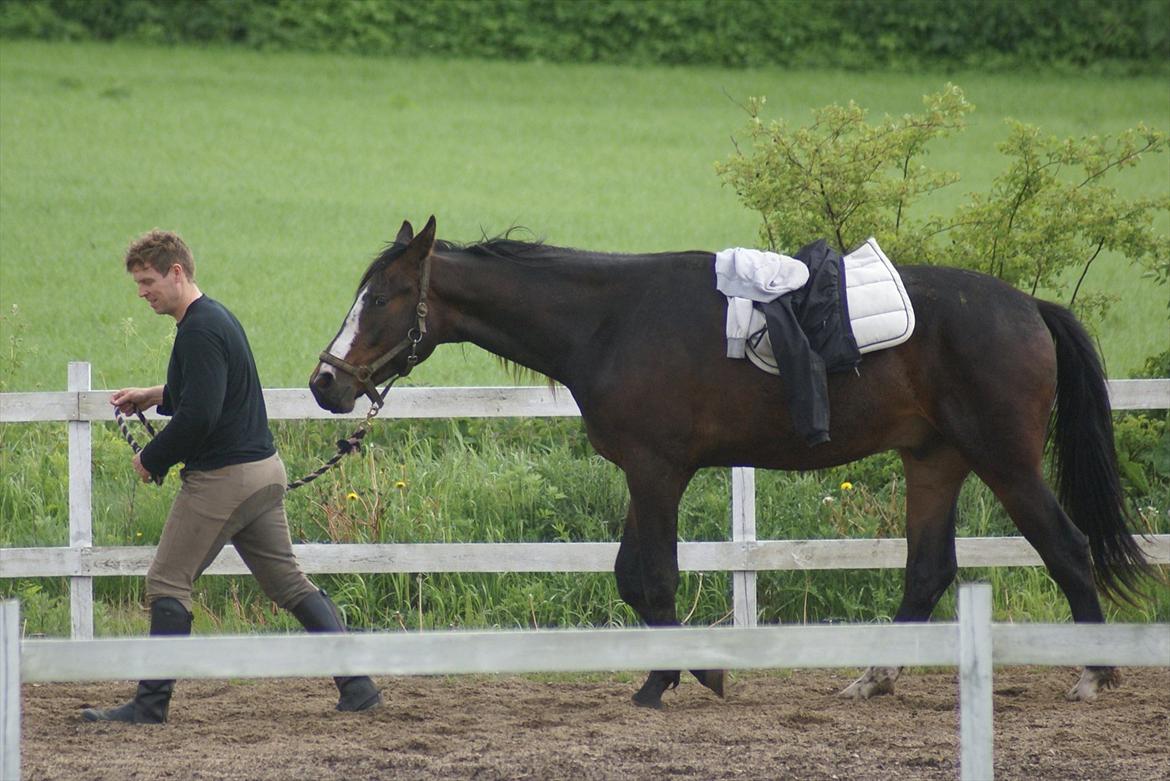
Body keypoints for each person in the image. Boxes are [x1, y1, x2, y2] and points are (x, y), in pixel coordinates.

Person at [82, 229, 381, 723]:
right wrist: (153, 395)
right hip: (264, 472)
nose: (142, 292)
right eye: (138, 284)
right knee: (289, 583)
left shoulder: (197, 329)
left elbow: (200, 415)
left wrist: (152, 459)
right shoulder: (213, 318)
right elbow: (204, 389)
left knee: (166, 582)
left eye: (148, 281)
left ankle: (149, 706)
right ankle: (359, 687)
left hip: (224, 478)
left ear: (177, 272)